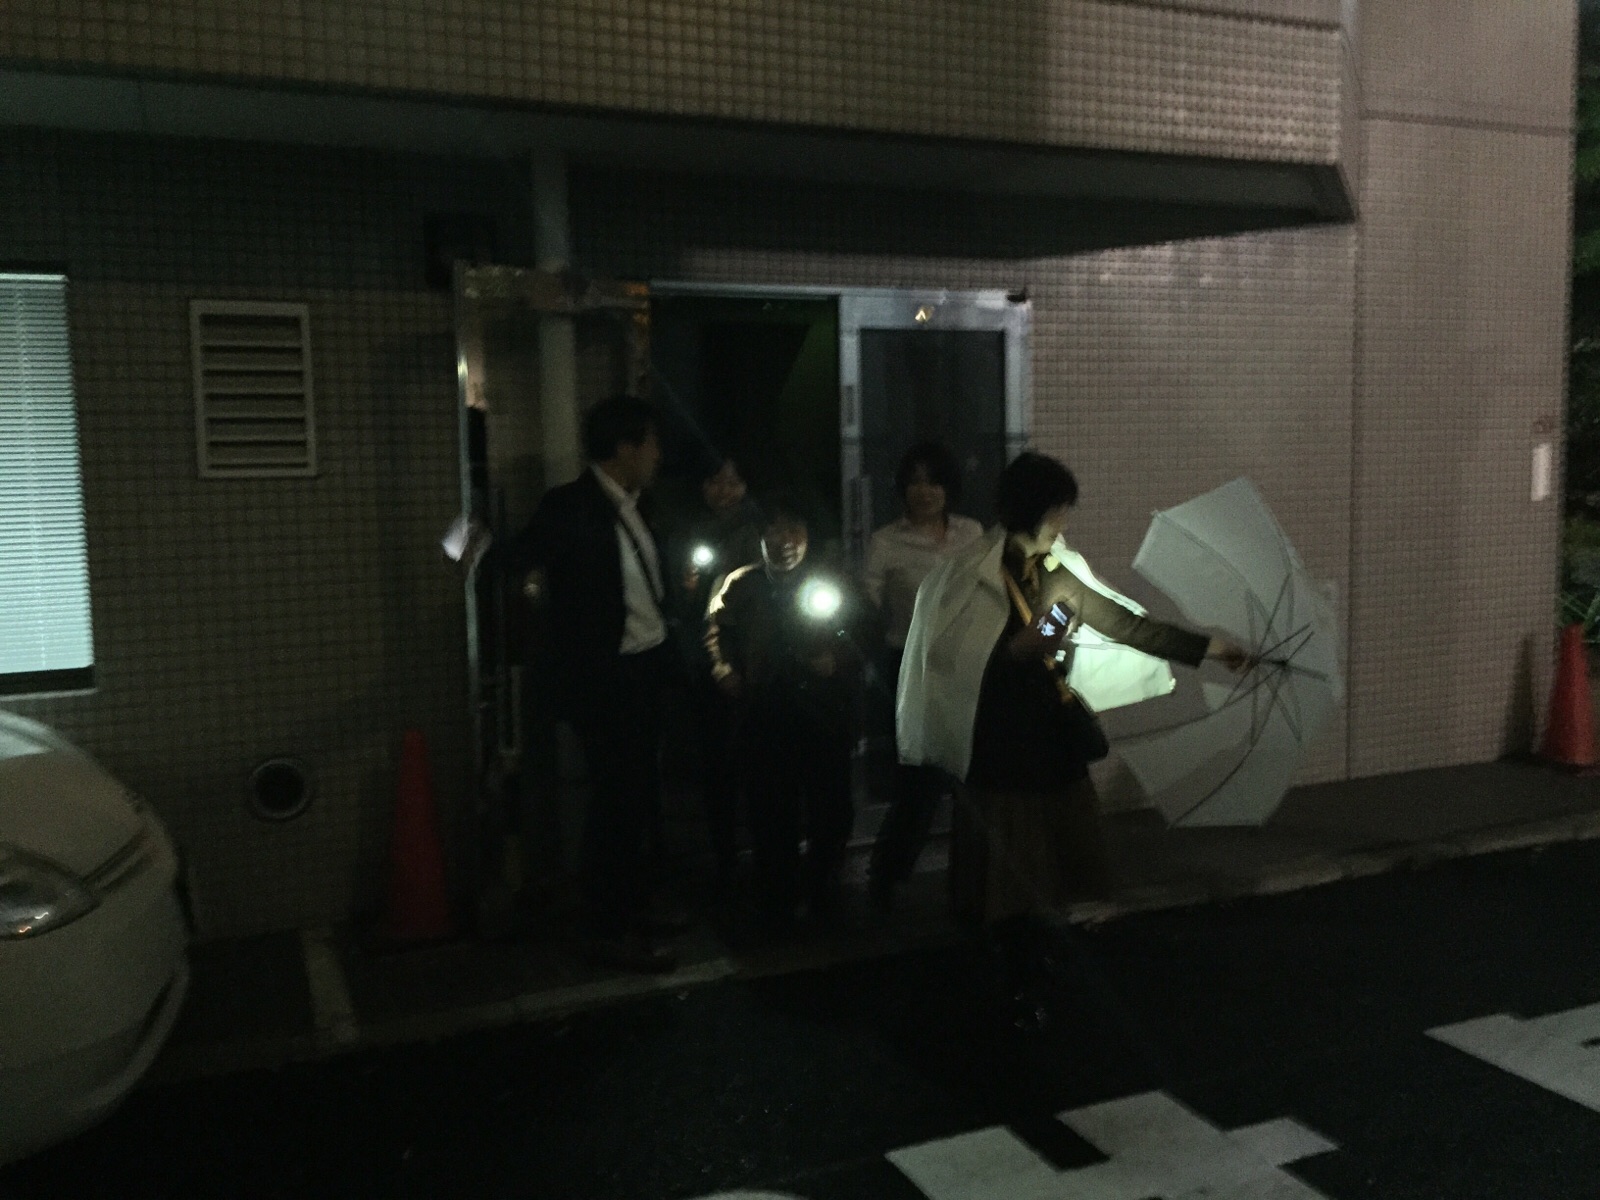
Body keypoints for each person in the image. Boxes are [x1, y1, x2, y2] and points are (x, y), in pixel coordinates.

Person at [896, 452, 1251, 953]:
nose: (1064, 521)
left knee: (1051, 859)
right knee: (1010, 865)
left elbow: (1127, 625)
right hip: (1002, 746)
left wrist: (1213, 648)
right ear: (1036, 509)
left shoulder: (1054, 574)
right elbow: (951, 659)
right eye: (1059, 510)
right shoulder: (972, 576)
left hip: (1050, 739)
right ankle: (1009, 955)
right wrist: (1014, 650)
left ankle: (1035, 948)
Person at [498, 394, 684, 973]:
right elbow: (517, 558)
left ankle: (632, 905)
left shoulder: (639, 504)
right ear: (624, 448)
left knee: (639, 797)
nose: (657, 454)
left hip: (647, 668)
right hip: (608, 681)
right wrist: (463, 542)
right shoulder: (570, 506)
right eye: (650, 443)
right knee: (615, 804)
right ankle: (606, 926)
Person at [705, 497, 862, 938]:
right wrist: (724, 670)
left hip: (822, 715)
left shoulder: (831, 581)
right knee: (771, 811)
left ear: (808, 536)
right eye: (774, 530)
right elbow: (717, 633)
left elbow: (860, 631)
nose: (784, 540)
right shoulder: (742, 583)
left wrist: (835, 660)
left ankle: (823, 887)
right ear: (760, 537)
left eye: (794, 529)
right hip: (764, 712)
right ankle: (777, 899)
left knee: (830, 808)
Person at [862, 442, 984, 911]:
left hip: (965, 666)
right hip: (911, 667)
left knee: (971, 779)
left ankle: (973, 879)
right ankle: (887, 876)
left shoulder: (972, 533)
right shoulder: (885, 542)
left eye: (933, 481)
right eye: (914, 481)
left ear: (948, 488)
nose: (924, 490)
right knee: (918, 780)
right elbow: (867, 604)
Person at [672, 455, 764, 895]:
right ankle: (726, 853)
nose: (725, 491)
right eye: (715, 481)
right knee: (718, 762)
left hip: (756, 656)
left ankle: (760, 850)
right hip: (708, 660)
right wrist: (688, 589)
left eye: (734, 481)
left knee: (756, 759)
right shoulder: (688, 532)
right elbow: (682, 607)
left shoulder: (762, 529)